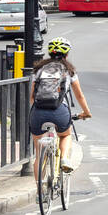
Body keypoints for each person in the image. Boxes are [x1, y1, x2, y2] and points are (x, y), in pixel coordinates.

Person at [29, 37, 92, 177]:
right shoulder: (69, 71)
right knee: (65, 135)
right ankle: (64, 158)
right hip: (59, 111)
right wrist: (86, 112)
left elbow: (32, 97)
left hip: (38, 112)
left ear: (50, 53)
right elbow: (79, 96)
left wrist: (37, 111)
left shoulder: (38, 70)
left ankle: (40, 194)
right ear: (67, 54)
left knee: (39, 155)